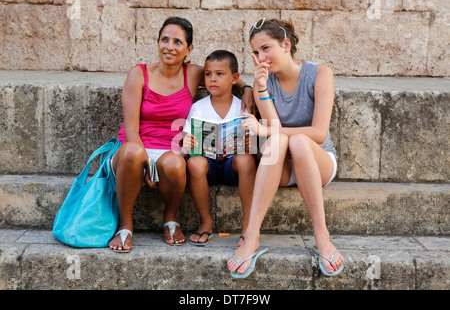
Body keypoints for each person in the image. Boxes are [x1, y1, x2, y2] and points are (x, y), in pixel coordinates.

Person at [108, 17, 255, 252]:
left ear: (189, 49)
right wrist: (147, 163)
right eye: (165, 39)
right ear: (158, 43)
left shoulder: (194, 73)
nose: (170, 47)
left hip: (171, 149)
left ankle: (170, 218)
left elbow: (228, 76)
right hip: (134, 147)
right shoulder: (139, 74)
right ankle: (125, 225)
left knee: (177, 163)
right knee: (134, 152)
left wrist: (247, 89)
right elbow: (131, 128)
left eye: (178, 42)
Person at [227, 18, 344, 277]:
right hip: (280, 166)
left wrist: (267, 131)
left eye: (266, 49)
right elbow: (275, 130)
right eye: (255, 53)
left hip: (317, 159)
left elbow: (318, 132)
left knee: (300, 141)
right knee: (279, 140)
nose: (261, 59)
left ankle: (321, 235)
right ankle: (252, 236)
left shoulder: (320, 74)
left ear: (286, 45)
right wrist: (259, 89)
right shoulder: (262, 83)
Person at [182, 50, 256, 246]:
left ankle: (248, 223)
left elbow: (257, 142)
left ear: (235, 78)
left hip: (234, 166)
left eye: (219, 74)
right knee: (195, 163)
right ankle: (206, 220)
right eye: (208, 74)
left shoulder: (244, 107)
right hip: (208, 166)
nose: (212, 79)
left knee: (246, 159)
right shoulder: (198, 107)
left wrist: (251, 144)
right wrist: (187, 144)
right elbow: (186, 140)